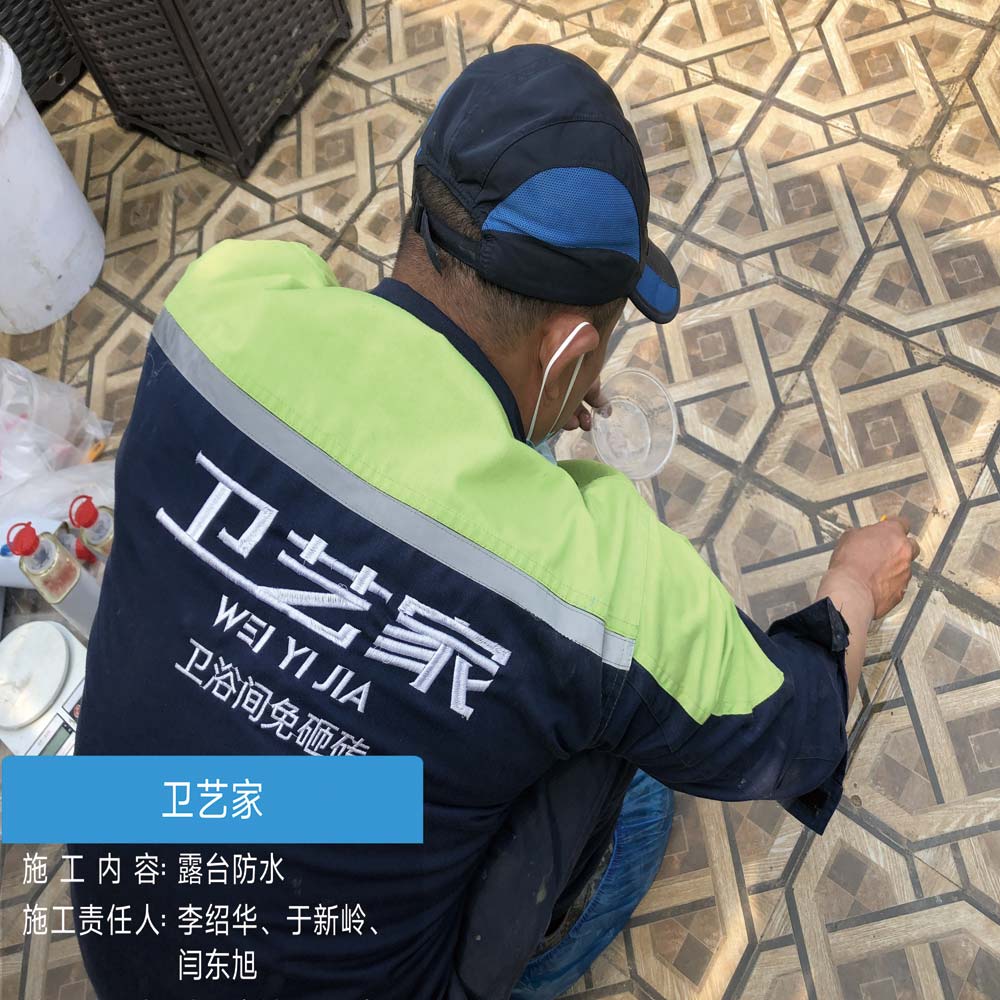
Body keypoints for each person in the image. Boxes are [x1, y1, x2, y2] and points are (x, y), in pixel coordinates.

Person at [70, 44, 918, 1000]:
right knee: (631, 757)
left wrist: (526, 398)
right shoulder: (603, 580)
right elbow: (794, 735)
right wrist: (854, 584)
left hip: (126, 941)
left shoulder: (221, 305)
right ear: (572, 348)